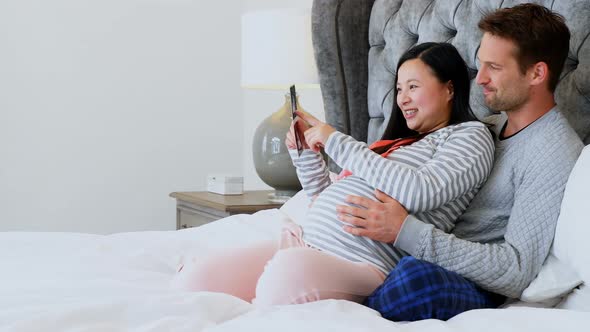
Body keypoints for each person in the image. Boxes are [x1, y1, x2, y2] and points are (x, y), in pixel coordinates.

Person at [173, 42, 494, 305]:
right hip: (305, 241)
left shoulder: (469, 136)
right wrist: (306, 156)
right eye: (399, 88)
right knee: (195, 280)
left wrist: (335, 140)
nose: (403, 98)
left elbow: (419, 192)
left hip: (362, 263)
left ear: (449, 89)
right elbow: (322, 198)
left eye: (413, 86)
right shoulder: (395, 145)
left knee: (282, 277)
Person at [335, 4, 585, 321]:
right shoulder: (486, 129)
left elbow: (515, 270)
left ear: (536, 73)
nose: (479, 79)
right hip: (407, 251)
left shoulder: (552, 151)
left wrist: (404, 230)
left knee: (414, 278)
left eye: (494, 67)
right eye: (480, 65)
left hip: (471, 281)